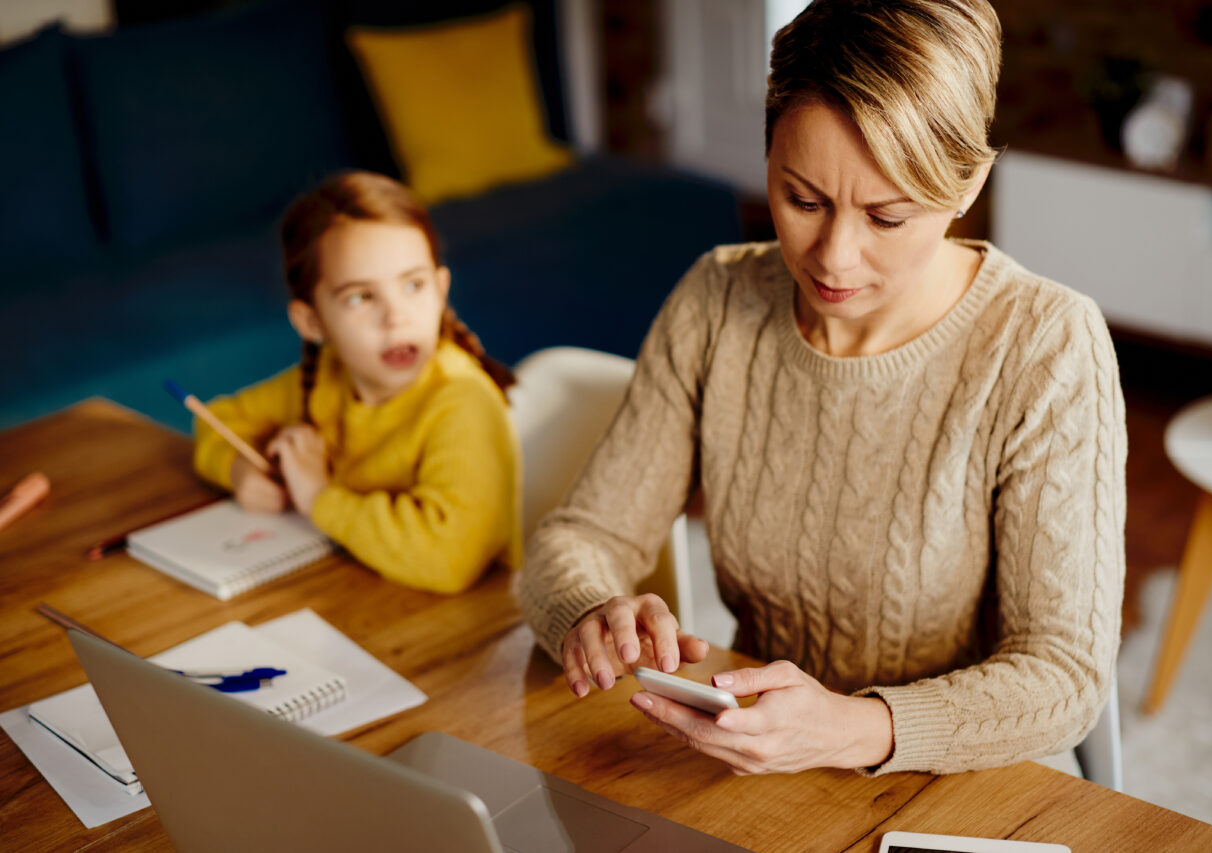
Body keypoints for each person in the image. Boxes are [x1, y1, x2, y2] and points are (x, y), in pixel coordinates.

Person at [518, 0, 1125, 777]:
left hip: (959, 782)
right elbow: (575, 539)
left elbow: (1064, 675)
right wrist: (590, 609)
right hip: (756, 766)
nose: (834, 258)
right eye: (802, 200)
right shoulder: (717, 299)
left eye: (887, 216)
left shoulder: (1045, 345)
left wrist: (854, 728)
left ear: (967, 184)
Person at [193, 170, 521, 594]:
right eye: (361, 297)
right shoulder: (326, 378)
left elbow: (450, 559)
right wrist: (239, 469)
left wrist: (318, 497)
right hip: (353, 598)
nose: (395, 316)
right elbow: (216, 418)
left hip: (470, 632)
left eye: (413, 285)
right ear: (312, 321)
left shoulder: (461, 400)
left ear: (441, 291)